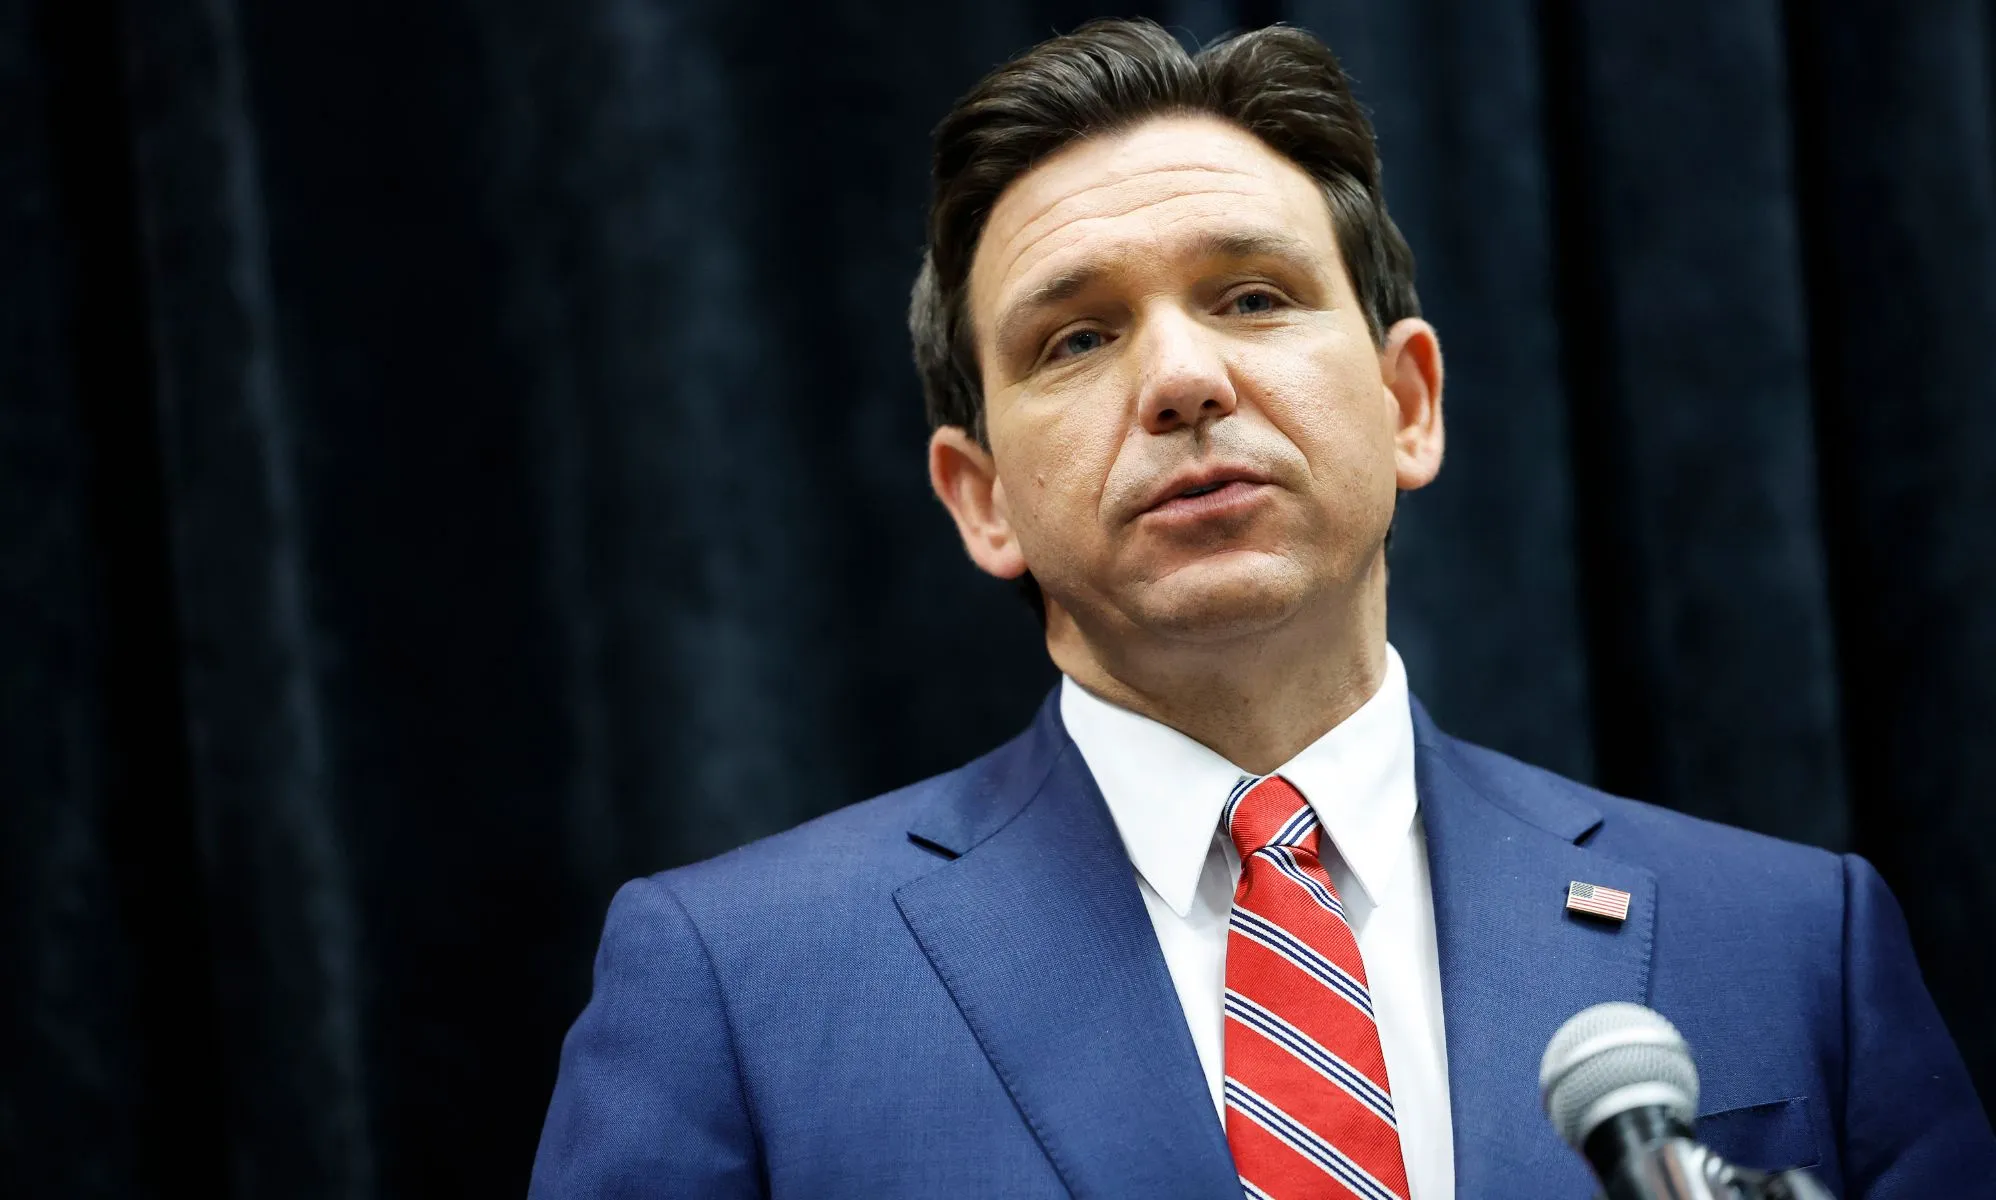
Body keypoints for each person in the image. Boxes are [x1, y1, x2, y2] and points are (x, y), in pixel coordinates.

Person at [529, 19, 1994, 1198]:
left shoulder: (1796, 943)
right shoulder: (738, 990)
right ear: (980, 499)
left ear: (1408, 401)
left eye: (1250, 298)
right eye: (1078, 335)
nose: (1182, 380)